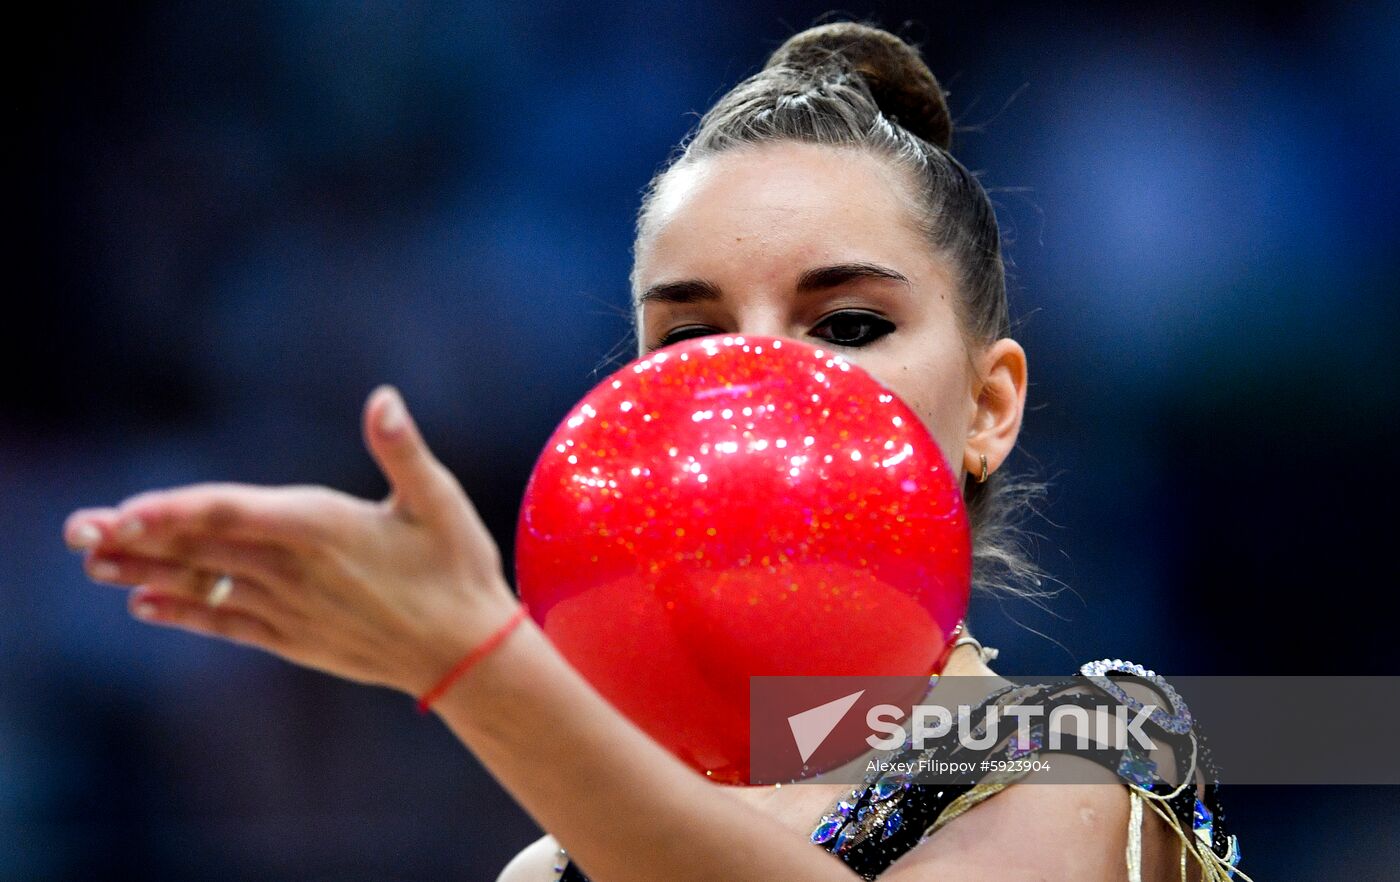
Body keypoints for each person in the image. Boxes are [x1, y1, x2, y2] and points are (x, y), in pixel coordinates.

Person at [64, 21, 1245, 882]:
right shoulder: (556, 872)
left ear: (988, 406)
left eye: (847, 325)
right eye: (688, 334)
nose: (756, 378)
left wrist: (476, 665)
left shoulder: (1100, 747)